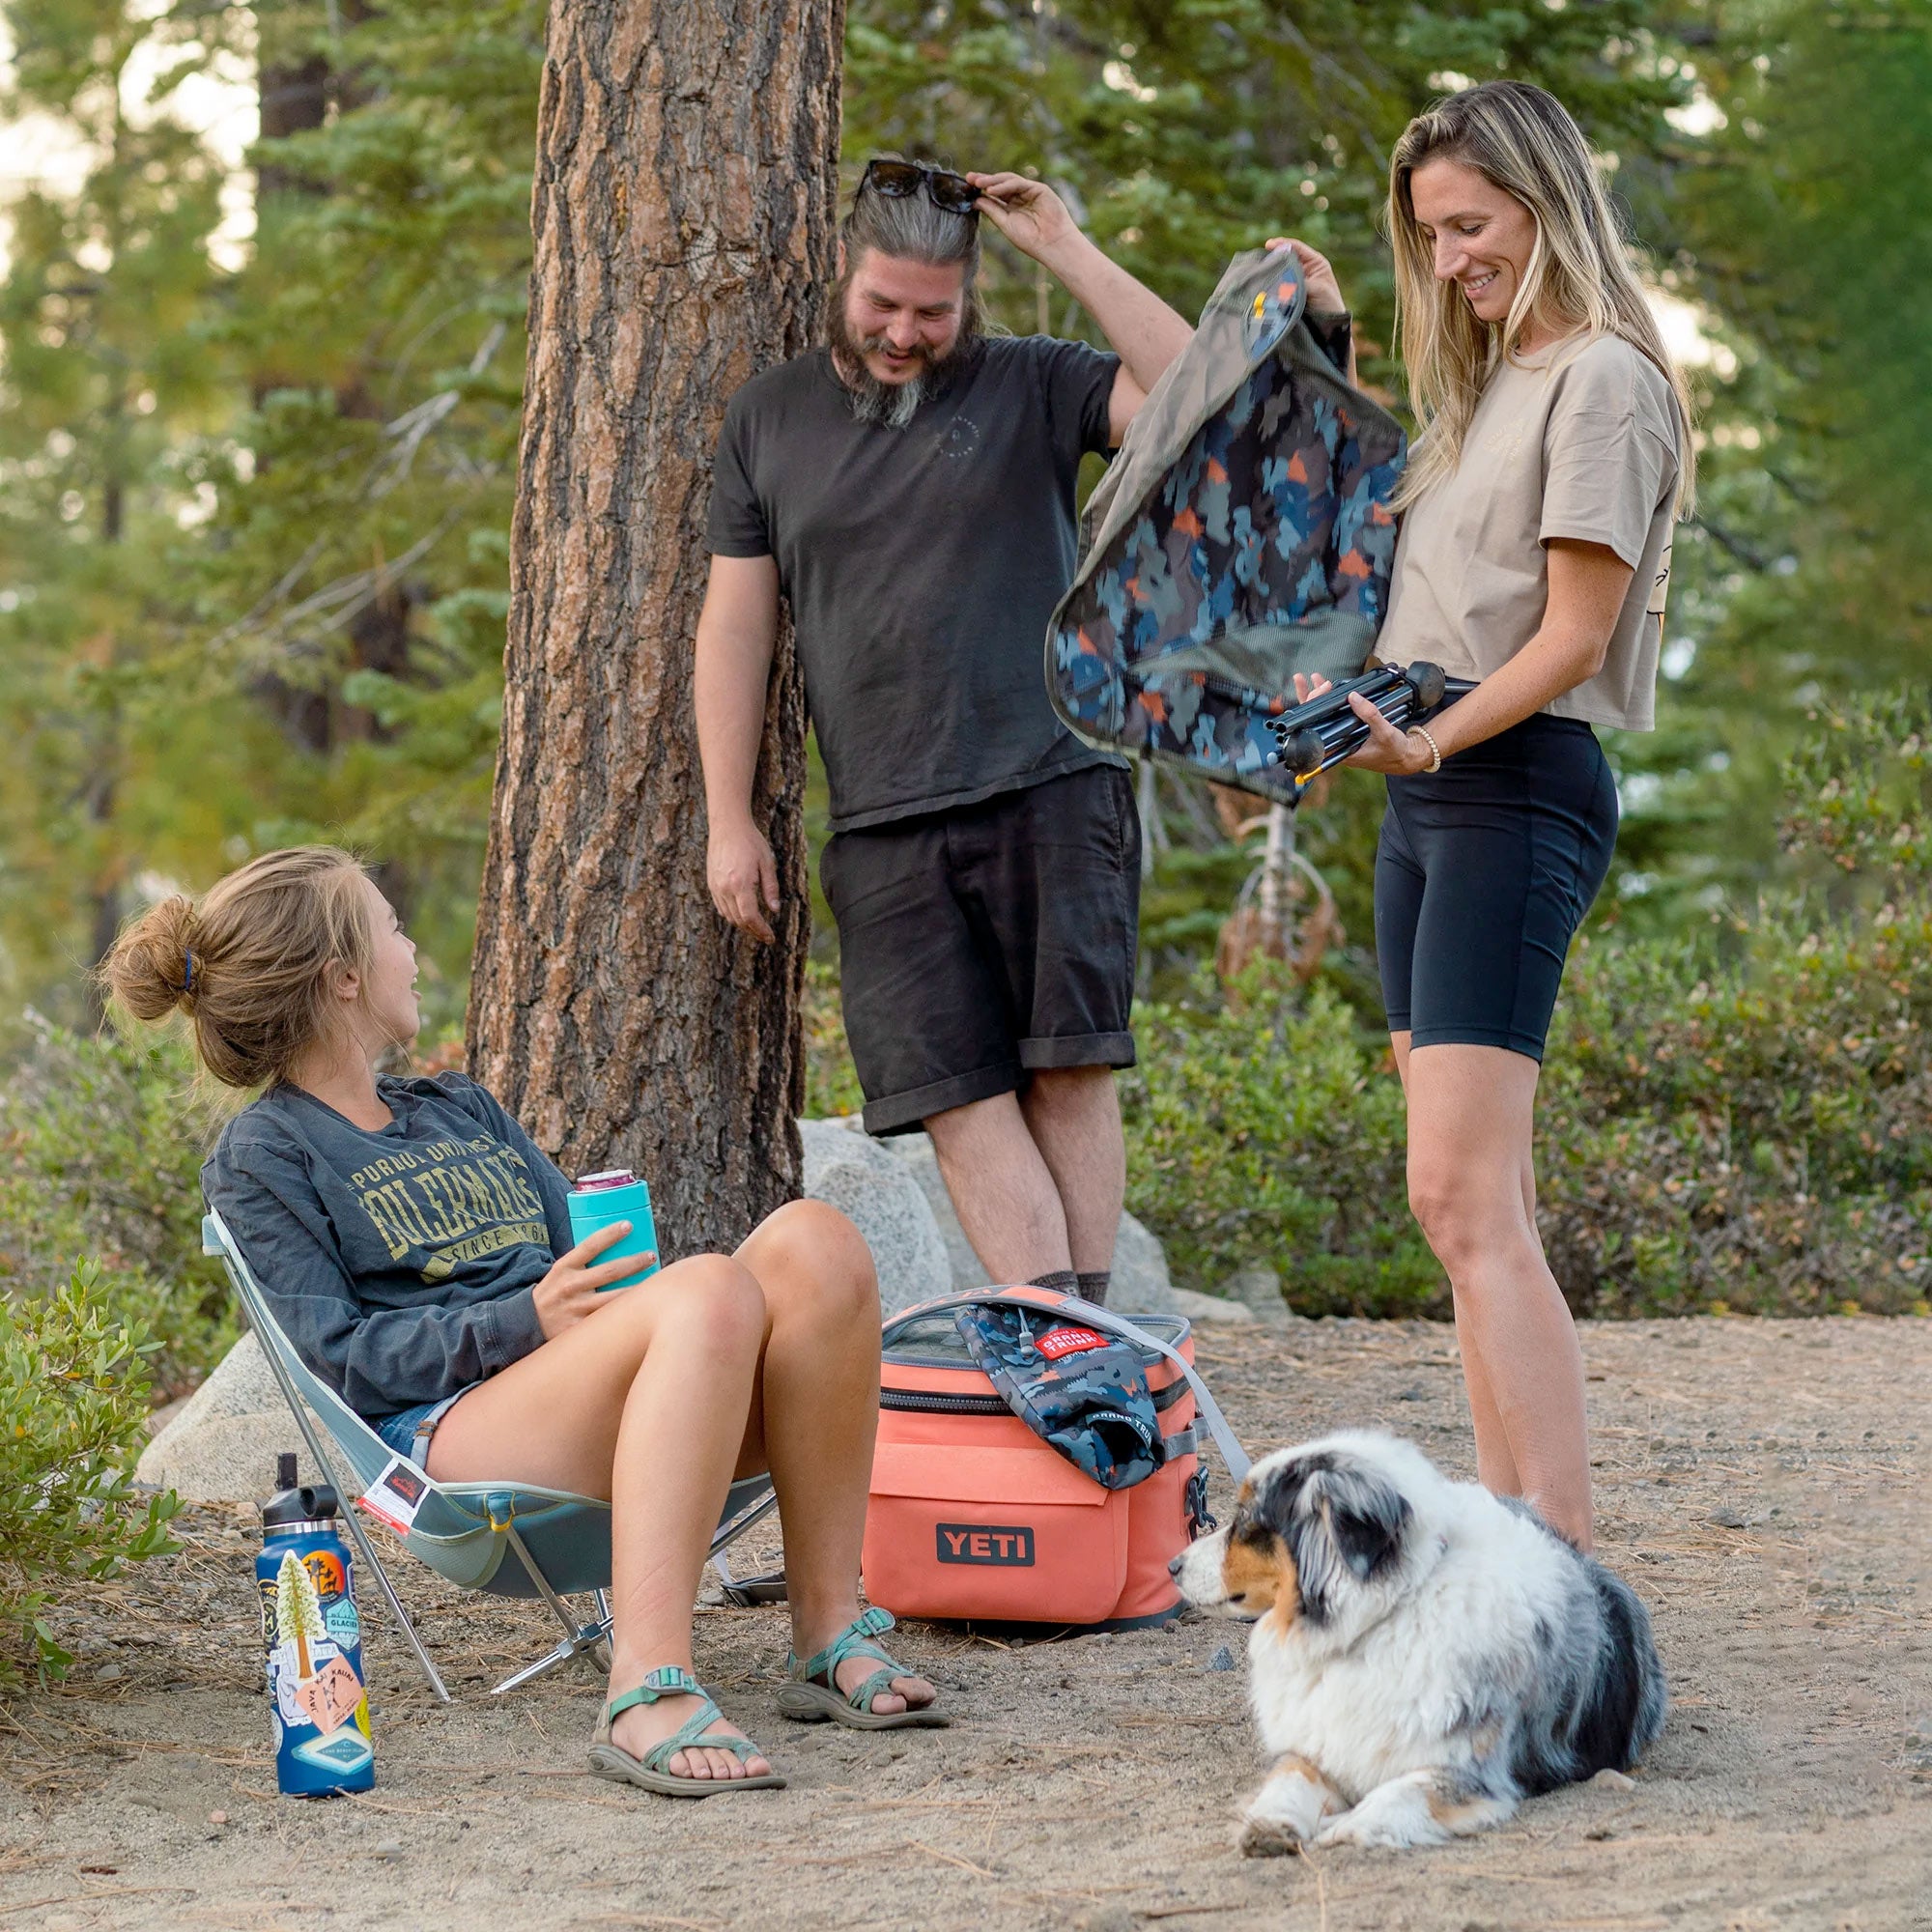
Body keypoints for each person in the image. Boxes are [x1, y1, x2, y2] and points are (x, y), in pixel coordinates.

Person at [102, 845, 941, 1798]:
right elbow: (340, 1361)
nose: (414, 950)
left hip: (581, 1389)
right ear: (342, 977)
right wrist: (525, 1320)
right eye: (393, 928)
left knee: (815, 1242)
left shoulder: (459, 1107)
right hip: (455, 1433)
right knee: (709, 1291)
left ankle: (827, 1630)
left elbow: (579, 1256)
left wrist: (619, 1287)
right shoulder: (268, 1151)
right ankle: (645, 1689)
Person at [1281, 82, 1693, 1549]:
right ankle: (1515, 1543)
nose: (1450, 257)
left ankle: (1565, 1580)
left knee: (1469, 1199)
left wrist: (1439, 740)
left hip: (1510, 782)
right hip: (1435, 793)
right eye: (1431, 235)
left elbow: (1573, 633)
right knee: (1456, 1202)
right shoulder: (1490, 387)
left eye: (1473, 224)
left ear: (1546, 201)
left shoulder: (1604, 381)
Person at [696, 157, 1194, 1305]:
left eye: (933, 309)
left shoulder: (1031, 381)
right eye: (882, 304)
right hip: (879, 821)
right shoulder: (767, 417)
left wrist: (1065, 246)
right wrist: (730, 818)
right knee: (959, 1094)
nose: (904, 332)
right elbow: (734, 624)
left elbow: (1190, 391)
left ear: (969, 291)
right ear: (842, 271)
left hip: (1051, 781)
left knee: (1066, 1072)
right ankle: (1060, 1339)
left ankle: (1084, 1344)